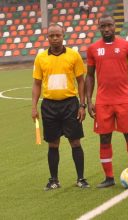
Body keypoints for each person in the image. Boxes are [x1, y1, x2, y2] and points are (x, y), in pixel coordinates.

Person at [85, 14, 128, 188]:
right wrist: (89, 101)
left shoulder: (127, 46)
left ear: (115, 26)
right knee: (104, 138)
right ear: (99, 28)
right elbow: (89, 76)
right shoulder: (93, 49)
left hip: (124, 100)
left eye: (109, 25)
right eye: (103, 26)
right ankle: (109, 178)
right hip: (103, 102)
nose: (106, 29)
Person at [32, 23, 89, 190]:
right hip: (49, 106)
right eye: (51, 36)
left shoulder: (74, 55)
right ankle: (54, 180)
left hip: (70, 104)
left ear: (63, 35)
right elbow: (36, 84)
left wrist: (82, 105)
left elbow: (81, 81)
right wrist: (34, 106)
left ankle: (81, 178)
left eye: (58, 35)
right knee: (53, 144)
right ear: (47, 37)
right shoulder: (40, 58)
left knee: (75, 142)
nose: (55, 38)